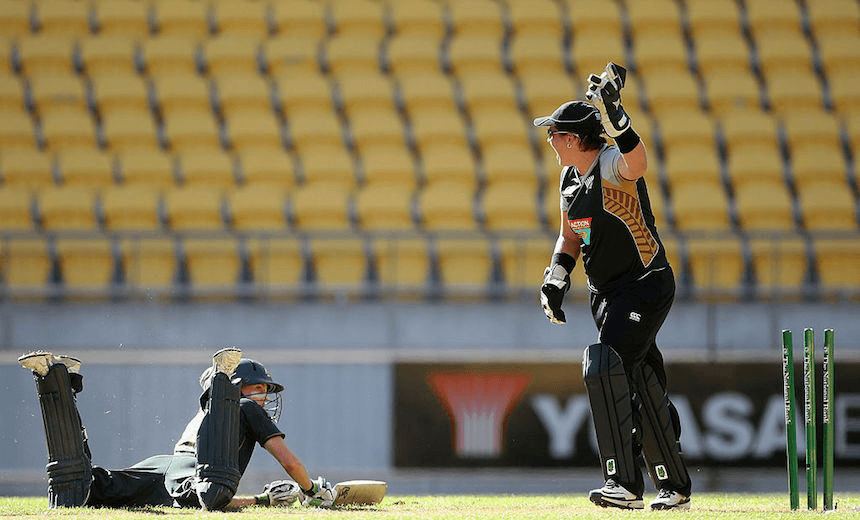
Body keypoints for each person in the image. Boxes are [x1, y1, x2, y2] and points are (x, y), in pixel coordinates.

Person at [533, 62, 692, 511]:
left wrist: (616, 114)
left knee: (604, 365)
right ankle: (674, 484)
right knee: (641, 379)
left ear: (576, 138)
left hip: (645, 285)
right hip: (606, 295)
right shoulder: (568, 181)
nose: (550, 141)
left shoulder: (611, 165)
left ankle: (623, 482)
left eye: (557, 134)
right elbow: (570, 234)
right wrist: (556, 278)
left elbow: (638, 162)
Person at [18, 347, 334, 510]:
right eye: (259, 388)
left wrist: (261, 500)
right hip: (196, 469)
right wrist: (312, 491)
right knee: (210, 493)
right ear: (236, 390)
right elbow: (289, 461)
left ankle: (55, 378)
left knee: (89, 487)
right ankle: (222, 373)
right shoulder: (246, 407)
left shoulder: (202, 415)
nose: (265, 396)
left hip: (166, 464)